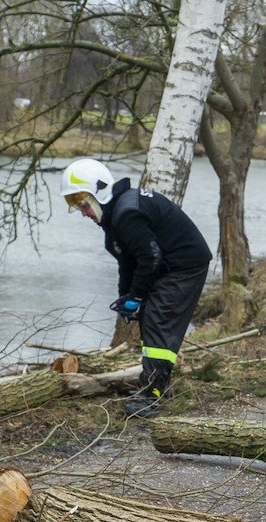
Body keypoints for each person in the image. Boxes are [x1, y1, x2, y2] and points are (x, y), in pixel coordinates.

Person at [60, 158, 213, 417]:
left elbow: (150, 258)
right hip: (169, 266)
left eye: (84, 205)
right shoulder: (116, 216)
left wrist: (137, 296)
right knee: (150, 319)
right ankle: (154, 386)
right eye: (78, 207)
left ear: (100, 192)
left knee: (158, 321)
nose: (84, 213)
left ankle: (152, 395)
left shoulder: (126, 213)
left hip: (185, 266)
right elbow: (127, 262)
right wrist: (126, 297)